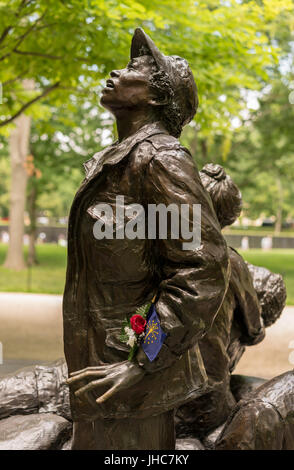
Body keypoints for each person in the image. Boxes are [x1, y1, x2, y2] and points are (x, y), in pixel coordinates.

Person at [63, 29, 229, 449]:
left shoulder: (161, 159)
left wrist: (145, 360)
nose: (118, 71)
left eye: (136, 69)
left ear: (157, 97)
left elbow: (201, 272)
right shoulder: (121, 159)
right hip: (104, 368)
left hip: (129, 382)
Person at [176, 164, 265, 437]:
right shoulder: (232, 263)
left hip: (159, 398)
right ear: (229, 215)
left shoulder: (165, 254)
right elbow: (254, 330)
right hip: (208, 401)